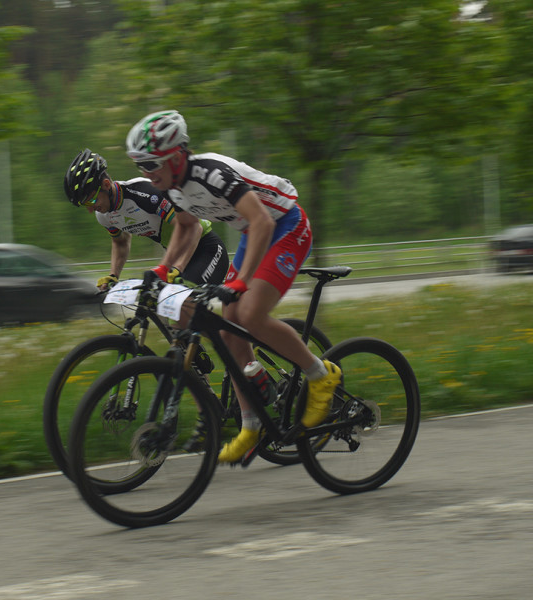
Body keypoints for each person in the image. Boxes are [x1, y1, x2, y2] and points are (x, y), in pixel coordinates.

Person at [125, 109, 342, 463]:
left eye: (151, 164)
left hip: (285, 225)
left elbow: (261, 220)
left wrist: (241, 282)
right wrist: (164, 268)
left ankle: (320, 374)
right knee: (228, 330)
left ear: (177, 157)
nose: (146, 173)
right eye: (140, 167)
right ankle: (252, 427)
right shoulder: (174, 186)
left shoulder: (211, 173)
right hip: (253, 232)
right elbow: (184, 225)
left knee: (251, 314)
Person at [64, 148, 228, 289]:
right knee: (165, 312)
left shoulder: (144, 193)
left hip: (205, 248)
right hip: (177, 259)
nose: (90, 209)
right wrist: (114, 275)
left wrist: (177, 267)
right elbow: (120, 242)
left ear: (106, 185)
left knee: (185, 305)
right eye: (84, 204)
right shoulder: (104, 215)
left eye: (91, 200)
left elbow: (193, 229)